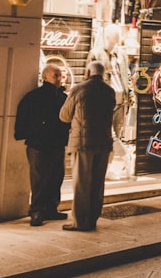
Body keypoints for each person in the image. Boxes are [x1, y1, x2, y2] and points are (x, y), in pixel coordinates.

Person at [59, 61, 116, 231]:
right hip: (104, 143)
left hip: (83, 144)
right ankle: (92, 219)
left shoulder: (79, 89)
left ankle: (80, 222)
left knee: (82, 183)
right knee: (97, 184)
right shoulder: (110, 91)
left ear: (87, 72)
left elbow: (64, 115)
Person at [14, 63, 71, 227]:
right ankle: (38, 210)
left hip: (49, 143)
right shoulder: (49, 97)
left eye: (60, 75)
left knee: (53, 176)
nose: (59, 79)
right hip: (41, 144)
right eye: (55, 75)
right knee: (41, 178)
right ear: (45, 77)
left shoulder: (55, 97)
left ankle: (49, 208)